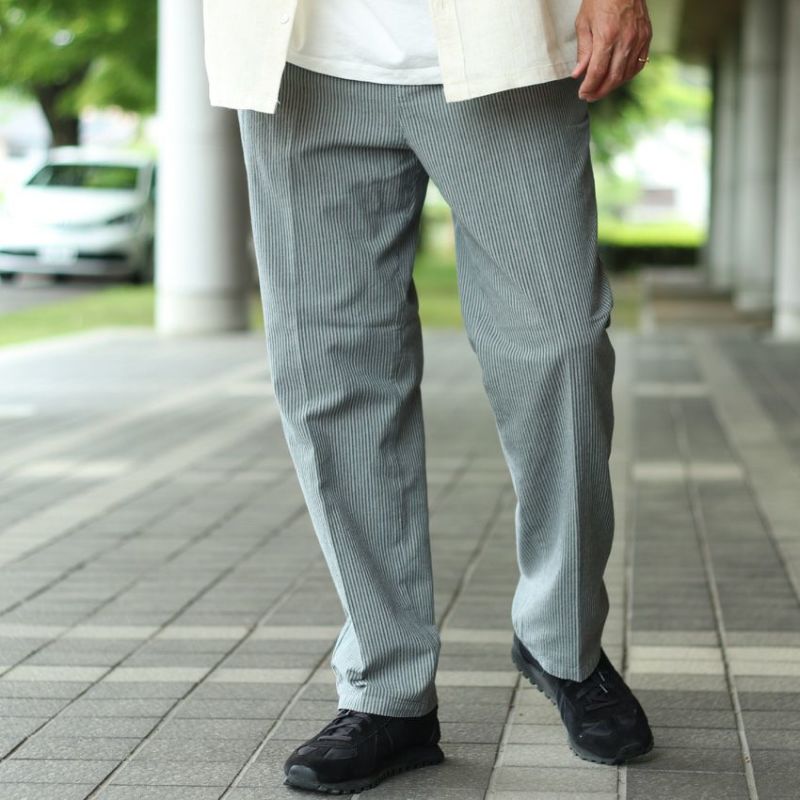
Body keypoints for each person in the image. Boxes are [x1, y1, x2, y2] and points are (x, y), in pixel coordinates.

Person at [201, 0, 655, 793]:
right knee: (331, 375)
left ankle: (564, 643)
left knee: (561, 349)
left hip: (508, 44)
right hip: (299, 58)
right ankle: (387, 691)